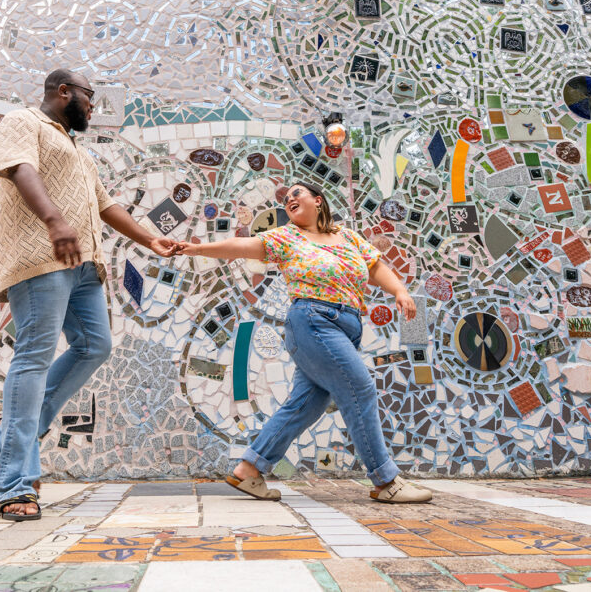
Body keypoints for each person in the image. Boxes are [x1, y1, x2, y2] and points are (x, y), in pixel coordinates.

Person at [0, 69, 177, 520]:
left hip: (84, 268)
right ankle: (13, 483)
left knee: (96, 345)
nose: (93, 106)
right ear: (63, 91)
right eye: (91, 96)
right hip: (40, 258)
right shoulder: (23, 121)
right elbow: (20, 169)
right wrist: (54, 221)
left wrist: (149, 240)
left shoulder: (78, 151)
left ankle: (9, 440)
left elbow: (106, 205)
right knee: (32, 357)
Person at [177, 182, 432, 504]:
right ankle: (386, 480)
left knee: (305, 403)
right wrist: (196, 249)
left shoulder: (348, 237)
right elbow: (240, 246)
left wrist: (400, 291)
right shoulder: (286, 238)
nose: (290, 199)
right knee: (360, 388)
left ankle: (250, 469)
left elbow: (375, 266)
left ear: (318, 200)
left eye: (297, 193)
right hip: (313, 321)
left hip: (346, 326)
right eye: (286, 199)